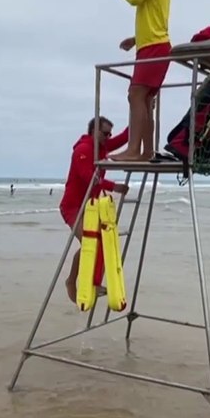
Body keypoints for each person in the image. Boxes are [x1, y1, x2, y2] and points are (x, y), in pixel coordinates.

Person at [60, 116, 130, 303]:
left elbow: (125, 137)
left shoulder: (103, 147)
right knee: (89, 242)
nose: (108, 137)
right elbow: (87, 177)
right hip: (73, 206)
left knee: (99, 243)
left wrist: (145, 108)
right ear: (94, 131)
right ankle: (71, 281)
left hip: (90, 206)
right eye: (105, 133)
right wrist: (113, 186)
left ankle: (92, 281)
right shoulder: (83, 150)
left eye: (109, 134)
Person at [112, 0, 172, 162]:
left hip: (155, 48)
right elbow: (153, 17)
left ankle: (134, 149)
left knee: (135, 94)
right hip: (149, 47)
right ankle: (146, 151)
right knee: (144, 100)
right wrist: (136, 39)